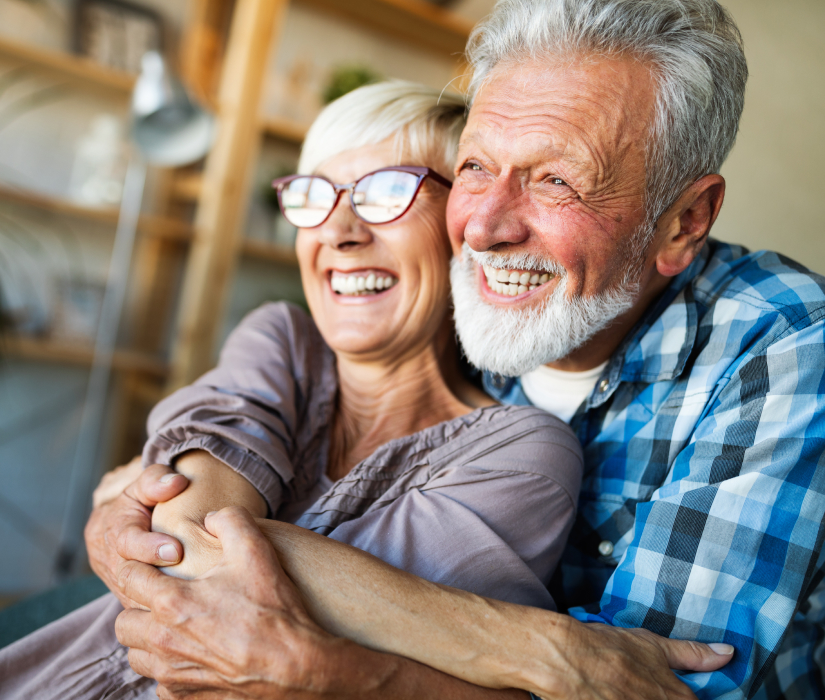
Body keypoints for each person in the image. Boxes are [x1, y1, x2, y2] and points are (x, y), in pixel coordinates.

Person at [98, 0, 825, 698]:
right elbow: (191, 485)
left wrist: (336, 675)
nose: (482, 228)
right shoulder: (446, 316)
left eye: (556, 180)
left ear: (684, 221)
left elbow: (656, 691)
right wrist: (540, 648)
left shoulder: (784, 342)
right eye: (476, 167)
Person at [0, 82, 586, 699]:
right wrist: (503, 638)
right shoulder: (282, 340)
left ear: (463, 226)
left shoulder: (524, 454)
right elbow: (181, 541)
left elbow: (208, 559)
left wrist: (138, 493)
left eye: (386, 192)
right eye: (316, 197)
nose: (340, 233)